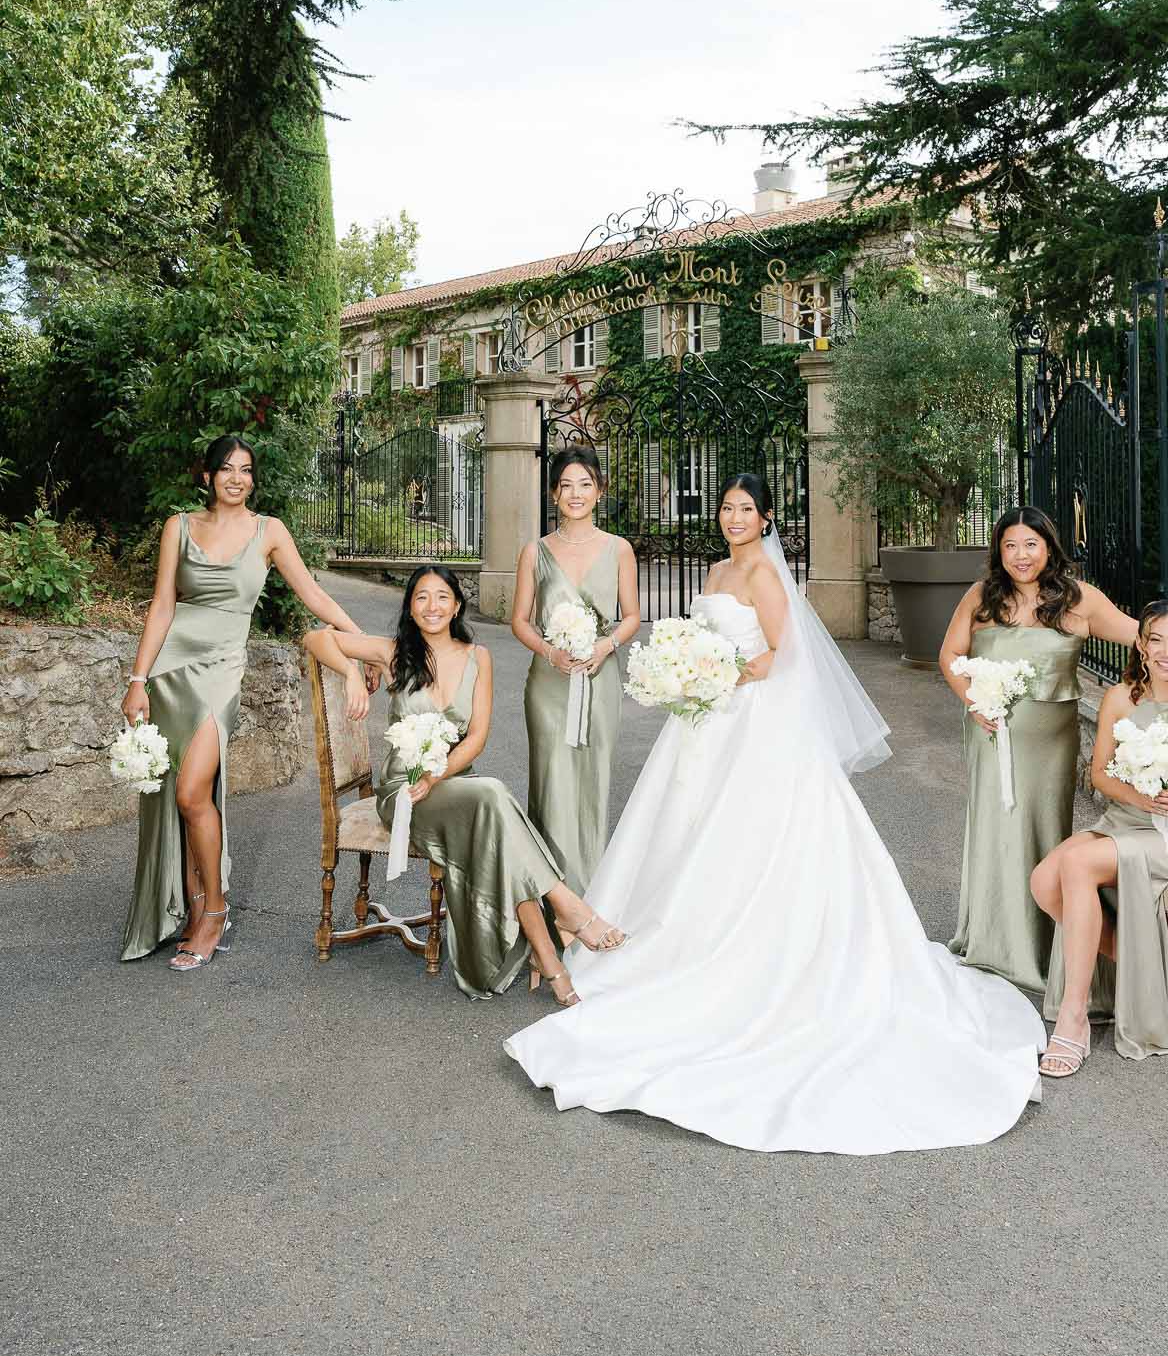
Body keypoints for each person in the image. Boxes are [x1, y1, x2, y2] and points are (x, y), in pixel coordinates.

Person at [503, 474, 1046, 1155]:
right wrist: (687, 673)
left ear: (765, 519)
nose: (734, 518)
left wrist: (709, 676)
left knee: (750, 841)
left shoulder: (763, 573)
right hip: (705, 720)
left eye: (745, 510)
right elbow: (708, 640)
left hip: (751, 722)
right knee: (682, 835)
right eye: (726, 508)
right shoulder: (715, 570)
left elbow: (778, 656)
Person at [939, 508, 1168, 994]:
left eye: (1031, 544)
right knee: (994, 827)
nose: (1021, 556)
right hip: (991, 734)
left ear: (1049, 547)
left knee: (1041, 830)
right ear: (998, 552)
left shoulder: (1079, 599)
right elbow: (950, 655)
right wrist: (973, 701)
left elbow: (1145, 638)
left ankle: (1045, 945)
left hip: (1049, 744)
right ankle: (992, 940)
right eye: (1010, 546)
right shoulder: (982, 597)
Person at [304, 565, 626, 1004]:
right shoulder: (393, 652)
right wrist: (352, 672)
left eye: (442, 597)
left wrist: (438, 773)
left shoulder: (479, 658)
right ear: (410, 608)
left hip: (453, 783)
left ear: (457, 606)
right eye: (421, 597)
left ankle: (550, 959)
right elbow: (315, 638)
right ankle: (566, 911)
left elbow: (476, 738)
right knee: (493, 798)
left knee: (494, 811)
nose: (431, 606)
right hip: (404, 791)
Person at [120, 434, 365, 970]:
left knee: (191, 791)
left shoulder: (268, 531)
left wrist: (361, 641)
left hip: (221, 669)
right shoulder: (178, 526)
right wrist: (138, 680)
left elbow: (313, 594)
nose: (237, 478)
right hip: (170, 667)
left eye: (246, 470)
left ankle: (215, 910)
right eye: (227, 469)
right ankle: (192, 905)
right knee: (176, 795)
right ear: (208, 476)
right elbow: (162, 606)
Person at [1031, 600, 1168, 1070]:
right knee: (1043, 881)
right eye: (1156, 640)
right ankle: (1145, 974)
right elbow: (1100, 774)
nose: (1167, 652)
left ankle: (1073, 1020)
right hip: (1128, 819)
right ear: (1141, 645)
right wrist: (1138, 796)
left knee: (1076, 865)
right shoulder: (1120, 698)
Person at [510, 445, 640, 933]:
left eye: (585, 484)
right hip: (550, 684)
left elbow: (632, 616)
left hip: (600, 679)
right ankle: (552, 907)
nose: (576, 494)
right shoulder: (535, 552)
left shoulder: (619, 549)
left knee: (592, 784)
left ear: (599, 491)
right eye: (566, 485)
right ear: (554, 494)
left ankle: (590, 901)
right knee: (551, 785)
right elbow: (520, 621)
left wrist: (606, 646)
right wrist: (551, 652)